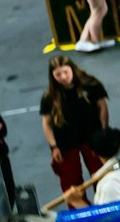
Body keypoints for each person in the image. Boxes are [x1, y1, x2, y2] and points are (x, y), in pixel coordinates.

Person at [40, 56, 109, 194]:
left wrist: (104, 130)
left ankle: (106, 202)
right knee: (71, 182)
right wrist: (54, 147)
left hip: (92, 137)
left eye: (66, 72)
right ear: (52, 76)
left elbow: (102, 107)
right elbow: (47, 123)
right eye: (58, 74)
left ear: (72, 69)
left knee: (101, 174)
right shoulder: (49, 97)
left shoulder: (91, 85)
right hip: (65, 143)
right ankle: (79, 206)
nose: (63, 77)